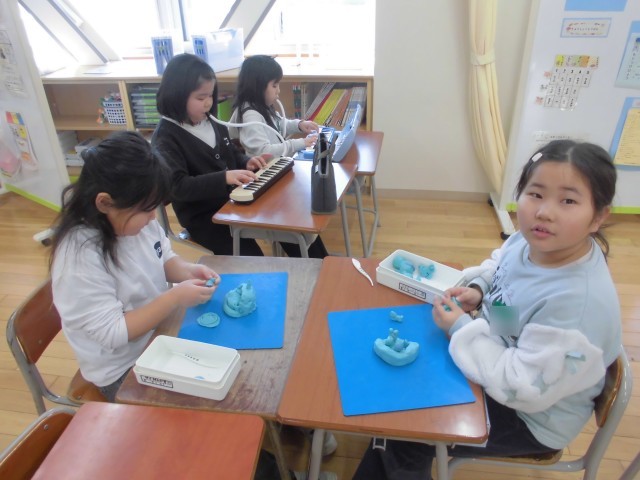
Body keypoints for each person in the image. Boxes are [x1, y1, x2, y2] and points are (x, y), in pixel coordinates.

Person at [352, 140, 622, 480]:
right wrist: (480, 289)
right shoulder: (532, 240)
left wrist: (460, 328)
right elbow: (502, 268)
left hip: (527, 414)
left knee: (406, 433)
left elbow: (521, 386)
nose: (544, 211)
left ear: (598, 216)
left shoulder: (578, 305)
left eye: (568, 200)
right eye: (535, 193)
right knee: (399, 402)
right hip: (502, 352)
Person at [49, 131, 220, 402]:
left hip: (159, 335)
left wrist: (188, 271)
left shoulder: (136, 222)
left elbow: (163, 256)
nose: (153, 217)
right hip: (123, 369)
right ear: (105, 203)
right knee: (211, 399)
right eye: (146, 209)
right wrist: (175, 297)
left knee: (226, 363)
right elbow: (113, 333)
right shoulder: (79, 258)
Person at [153, 53, 327, 258]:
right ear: (176, 95)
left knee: (293, 224)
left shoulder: (210, 120)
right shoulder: (166, 137)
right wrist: (224, 177)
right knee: (251, 260)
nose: (208, 103)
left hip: (236, 199)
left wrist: (247, 162)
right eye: (201, 98)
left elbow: (232, 152)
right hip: (205, 217)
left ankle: (324, 269)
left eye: (210, 96)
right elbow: (178, 187)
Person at [229, 54, 329, 258]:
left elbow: (278, 124)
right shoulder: (250, 115)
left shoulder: (260, 107)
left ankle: (320, 260)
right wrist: (300, 143)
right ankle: (316, 262)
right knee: (296, 220)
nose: (278, 90)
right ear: (258, 86)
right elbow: (263, 152)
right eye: (274, 85)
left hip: (273, 174)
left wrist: (299, 125)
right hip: (261, 180)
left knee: (302, 217)